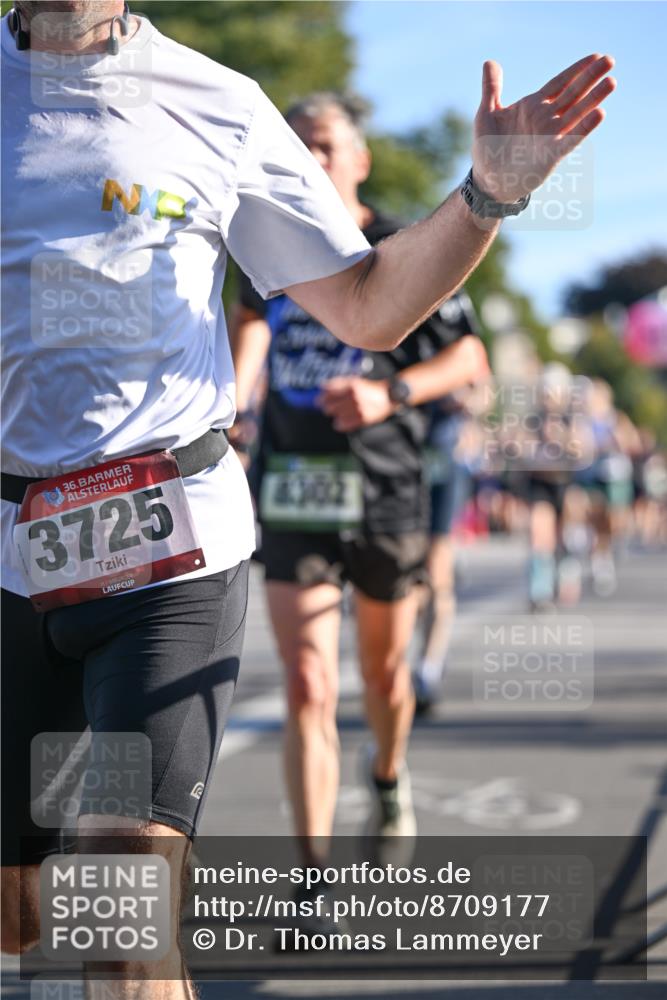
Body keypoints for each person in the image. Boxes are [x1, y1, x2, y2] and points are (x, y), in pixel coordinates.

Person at [1, 0, 615, 989]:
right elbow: (249, 339)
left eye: (335, 141)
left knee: (119, 911)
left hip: (174, 547)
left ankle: (334, 848)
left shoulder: (218, 105)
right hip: (14, 553)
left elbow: (375, 304)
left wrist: (486, 197)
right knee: (20, 921)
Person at [231, 94, 491, 886]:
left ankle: (385, 774)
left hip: (384, 488)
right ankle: (310, 876)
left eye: (323, 146)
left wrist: (392, 394)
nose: (310, 161)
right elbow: (249, 343)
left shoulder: (402, 244)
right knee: (308, 682)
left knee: (381, 677)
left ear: (358, 159)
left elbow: (470, 360)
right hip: (293, 486)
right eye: (297, 146)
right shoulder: (266, 249)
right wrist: (235, 413)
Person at [412, 292, 483, 714]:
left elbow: (482, 391)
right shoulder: (394, 309)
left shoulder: (457, 325)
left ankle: (428, 667)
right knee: (407, 570)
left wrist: (464, 400)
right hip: (399, 454)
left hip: (443, 458)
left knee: (437, 566)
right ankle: (407, 661)